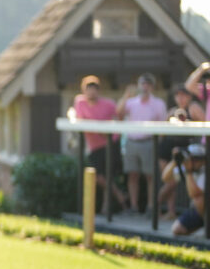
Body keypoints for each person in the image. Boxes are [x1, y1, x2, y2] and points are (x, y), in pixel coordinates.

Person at [72, 75, 127, 211]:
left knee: (107, 175)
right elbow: (79, 119)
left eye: (94, 89)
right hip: (94, 146)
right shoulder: (80, 102)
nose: (92, 92)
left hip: (110, 143)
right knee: (99, 177)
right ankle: (120, 197)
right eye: (89, 89)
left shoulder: (107, 103)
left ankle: (106, 207)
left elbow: (119, 115)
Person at [116, 73, 168, 214]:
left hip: (149, 142)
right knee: (132, 175)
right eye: (143, 83)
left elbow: (162, 125)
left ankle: (151, 207)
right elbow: (119, 114)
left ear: (152, 86)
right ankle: (134, 206)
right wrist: (126, 95)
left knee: (150, 176)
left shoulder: (158, 104)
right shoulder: (131, 102)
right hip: (132, 142)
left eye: (148, 84)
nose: (145, 87)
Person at [157, 85, 205, 218]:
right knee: (169, 181)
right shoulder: (172, 111)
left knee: (174, 182)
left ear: (189, 96)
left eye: (183, 95)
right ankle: (166, 211)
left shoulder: (194, 108)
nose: (180, 98)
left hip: (185, 152)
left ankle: (155, 205)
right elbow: (162, 131)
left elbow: (205, 126)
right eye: (177, 95)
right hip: (167, 150)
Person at [160, 143, 206, 235]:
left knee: (198, 200)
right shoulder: (187, 168)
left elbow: (194, 194)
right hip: (198, 212)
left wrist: (189, 172)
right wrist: (175, 161)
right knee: (177, 229)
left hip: (205, 209)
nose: (194, 162)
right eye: (192, 159)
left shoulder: (205, 171)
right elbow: (165, 178)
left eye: (197, 159)